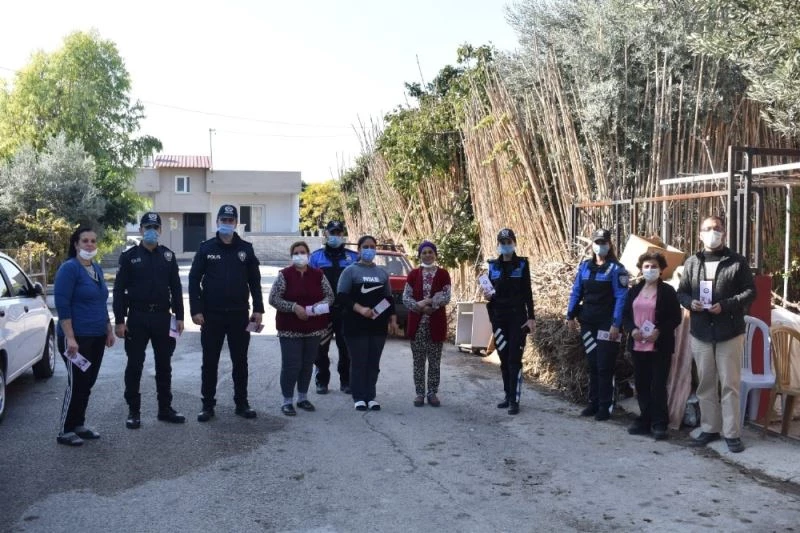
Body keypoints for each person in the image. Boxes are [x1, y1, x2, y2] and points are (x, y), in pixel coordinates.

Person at [677, 215, 755, 453]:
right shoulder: (692, 262)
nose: (713, 232)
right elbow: (682, 293)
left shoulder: (737, 262)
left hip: (729, 332)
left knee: (730, 384)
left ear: (724, 233)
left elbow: (751, 293)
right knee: (706, 383)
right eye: (708, 229)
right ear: (700, 234)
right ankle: (710, 428)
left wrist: (728, 304)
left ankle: (732, 433)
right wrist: (691, 303)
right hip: (700, 331)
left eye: (717, 228)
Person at [189, 204, 264, 422]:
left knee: (240, 361)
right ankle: (207, 405)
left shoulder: (246, 249)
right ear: (217, 222)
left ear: (236, 223)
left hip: (239, 314)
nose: (227, 224)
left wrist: (258, 308)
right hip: (212, 315)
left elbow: (255, 281)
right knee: (210, 361)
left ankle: (242, 403)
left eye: (231, 221)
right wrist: (196, 310)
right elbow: (194, 280)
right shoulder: (206, 248)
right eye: (223, 220)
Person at [113, 212, 185, 429]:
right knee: (135, 365)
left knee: (165, 365)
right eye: (147, 227)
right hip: (137, 317)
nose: (151, 230)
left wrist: (180, 316)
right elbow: (118, 290)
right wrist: (119, 320)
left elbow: (176, 288)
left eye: (155, 227)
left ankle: (165, 408)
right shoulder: (129, 257)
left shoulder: (168, 256)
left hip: (163, 317)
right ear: (140, 230)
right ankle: (134, 411)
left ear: (160, 230)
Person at [53, 227, 115, 446]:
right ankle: (64, 430)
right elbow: (62, 305)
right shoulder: (69, 269)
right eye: (85, 241)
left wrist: (108, 328)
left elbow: (100, 301)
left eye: (93, 241)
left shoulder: (96, 268)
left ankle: (78, 424)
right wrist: (70, 338)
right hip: (76, 339)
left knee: (87, 382)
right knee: (76, 383)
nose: (90, 245)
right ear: (76, 244)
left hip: (97, 335)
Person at [566, 228, 628, 421]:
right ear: (592, 245)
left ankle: (605, 405)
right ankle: (593, 403)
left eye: (604, 243)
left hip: (607, 324)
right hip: (588, 323)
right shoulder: (584, 267)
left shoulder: (617, 269)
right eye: (597, 242)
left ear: (610, 245)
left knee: (604, 365)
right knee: (592, 363)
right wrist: (570, 315)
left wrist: (616, 324)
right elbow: (576, 291)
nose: (600, 246)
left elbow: (621, 297)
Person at [269, 241, 335, 416]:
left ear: (308, 255)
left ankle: (303, 398)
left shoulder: (318, 275)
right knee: (291, 365)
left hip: (313, 329)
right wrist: (294, 307)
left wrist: (315, 308)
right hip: (289, 329)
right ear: (292, 256)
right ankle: (287, 401)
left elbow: (330, 296)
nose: (300, 255)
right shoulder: (285, 275)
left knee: (307, 365)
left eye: (303, 252)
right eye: (296, 252)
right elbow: (274, 298)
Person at [622, 252, 682, 440]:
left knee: (657, 384)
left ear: (662, 269)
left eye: (654, 266)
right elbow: (626, 316)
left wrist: (659, 331)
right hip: (638, 344)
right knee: (642, 383)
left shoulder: (668, 292)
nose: (650, 270)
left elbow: (675, 318)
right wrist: (632, 330)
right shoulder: (634, 290)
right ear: (641, 269)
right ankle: (645, 419)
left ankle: (659, 423)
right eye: (646, 266)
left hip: (659, 345)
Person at [337, 235, 399, 411]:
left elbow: (388, 298)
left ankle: (370, 396)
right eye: (365, 246)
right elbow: (341, 296)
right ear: (359, 250)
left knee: (373, 363)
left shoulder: (381, 273)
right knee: (359, 362)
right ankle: (358, 397)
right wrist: (360, 309)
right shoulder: (350, 271)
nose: (369, 250)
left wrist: (393, 318)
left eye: (372, 246)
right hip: (355, 326)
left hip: (377, 327)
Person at [482, 228, 536, 415]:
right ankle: (507, 395)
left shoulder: (522, 264)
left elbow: (528, 292)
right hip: (498, 318)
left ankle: (515, 399)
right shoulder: (492, 266)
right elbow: (489, 292)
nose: (506, 245)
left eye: (508, 242)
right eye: (502, 242)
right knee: (504, 359)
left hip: (517, 318)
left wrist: (531, 318)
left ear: (514, 243)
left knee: (514, 359)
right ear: (498, 244)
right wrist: (486, 294)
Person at [309, 220, 358, 394]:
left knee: (346, 348)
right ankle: (322, 381)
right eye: (332, 233)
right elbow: (309, 285)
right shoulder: (315, 257)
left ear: (342, 235)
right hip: (323, 312)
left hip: (346, 312)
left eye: (338, 233)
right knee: (321, 348)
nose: (335, 236)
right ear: (326, 234)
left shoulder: (353, 257)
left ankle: (346, 381)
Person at [403, 240, 452, 407]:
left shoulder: (443, 274)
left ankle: (432, 392)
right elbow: (406, 297)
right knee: (418, 361)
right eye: (424, 252)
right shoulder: (413, 274)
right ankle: (419, 393)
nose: (428, 255)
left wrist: (432, 302)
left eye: (430, 252)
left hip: (436, 323)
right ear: (420, 255)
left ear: (435, 254)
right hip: (417, 324)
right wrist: (420, 308)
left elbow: (446, 296)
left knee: (434, 360)